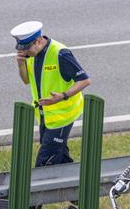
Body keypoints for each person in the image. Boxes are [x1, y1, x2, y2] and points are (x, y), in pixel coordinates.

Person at [11, 21, 90, 168]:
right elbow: (26, 80)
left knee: (44, 163)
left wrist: (62, 95)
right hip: (45, 115)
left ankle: (42, 189)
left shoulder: (61, 53)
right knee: (60, 157)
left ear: (39, 41)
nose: (25, 52)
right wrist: (21, 64)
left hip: (62, 116)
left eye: (27, 49)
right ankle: (68, 184)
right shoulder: (31, 55)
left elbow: (84, 80)